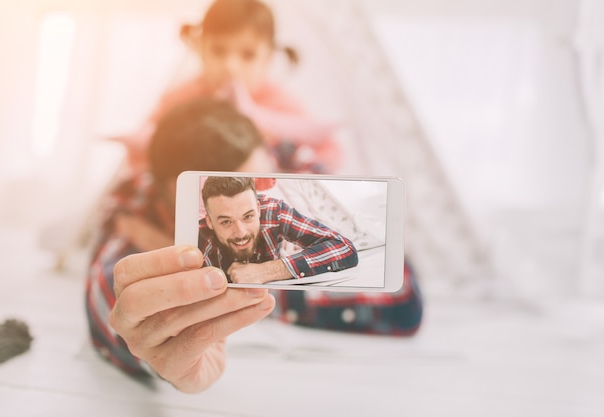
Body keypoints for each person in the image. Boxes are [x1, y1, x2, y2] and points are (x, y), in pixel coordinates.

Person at [86, 98, 422, 394]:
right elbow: (112, 301)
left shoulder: (277, 184)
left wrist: (266, 276)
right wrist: (153, 351)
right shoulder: (135, 209)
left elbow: (402, 297)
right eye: (225, 216)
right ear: (184, 207)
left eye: (259, 193)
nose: (247, 226)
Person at [117, 0, 340, 175]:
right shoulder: (182, 97)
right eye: (218, 50)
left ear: (268, 58)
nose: (230, 66)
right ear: (200, 47)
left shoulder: (277, 100)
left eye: (248, 55)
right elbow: (141, 154)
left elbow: (328, 152)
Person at [199, 176, 358, 283]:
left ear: (259, 209)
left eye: (248, 217)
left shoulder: (274, 212)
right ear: (210, 222)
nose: (241, 233)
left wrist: (267, 271)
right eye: (226, 222)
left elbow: (344, 247)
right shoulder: (198, 241)